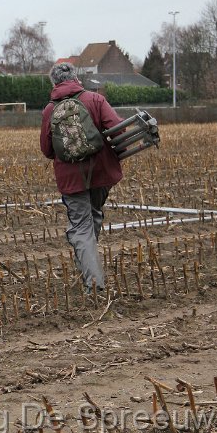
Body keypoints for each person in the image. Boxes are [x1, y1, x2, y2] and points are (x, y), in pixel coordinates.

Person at [40, 63, 124, 294]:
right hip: (101, 172)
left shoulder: (50, 109)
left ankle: (94, 283)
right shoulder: (95, 100)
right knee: (93, 218)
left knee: (81, 227)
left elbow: (47, 150)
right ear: (76, 78)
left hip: (71, 179)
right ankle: (88, 267)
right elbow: (118, 130)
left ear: (54, 83)